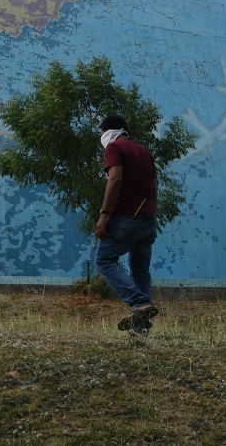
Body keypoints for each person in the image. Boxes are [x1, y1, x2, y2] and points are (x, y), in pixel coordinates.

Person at [93, 115, 161, 336]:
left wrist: (104, 215)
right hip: (147, 219)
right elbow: (153, 186)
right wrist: (151, 215)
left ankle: (139, 302)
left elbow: (115, 179)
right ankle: (141, 327)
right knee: (140, 270)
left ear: (108, 130)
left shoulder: (114, 147)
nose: (101, 137)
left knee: (104, 259)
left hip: (125, 217)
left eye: (101, 132)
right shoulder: (145, 152)